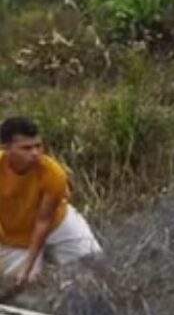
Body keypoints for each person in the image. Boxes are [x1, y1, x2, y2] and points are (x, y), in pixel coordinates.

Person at [0, 116, 102, 286]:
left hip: (57, 223)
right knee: (20, 288)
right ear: (6, 148)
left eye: (38, 146)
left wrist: (29, 265)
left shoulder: (53, 173)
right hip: (15, 235)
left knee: (94, 265)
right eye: (26, 148)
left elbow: (43, 221)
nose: (35, 153)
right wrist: (27, 269)